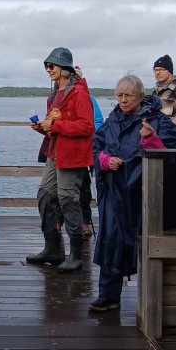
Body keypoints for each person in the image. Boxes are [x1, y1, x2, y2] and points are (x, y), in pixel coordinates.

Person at [90, 74, 176, 312]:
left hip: (145, 194)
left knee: (147, 244)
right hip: (115, 192)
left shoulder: (157, 121)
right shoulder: (112, 121)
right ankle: (108, 295)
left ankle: (155, 298)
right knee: (111, 239)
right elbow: (97, 145)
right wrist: (104, 160)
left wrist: (152, 140)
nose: (123, 100)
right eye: (119, 95)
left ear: (140, 96)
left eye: (128, 95)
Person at [25, 47, 95, 273]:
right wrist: (42, 128)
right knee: (45, 196)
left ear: (65, 69)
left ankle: (75, 254)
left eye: (52, 65)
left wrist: (54, 125)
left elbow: (87, 126)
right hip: (54, 152)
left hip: (72, 156)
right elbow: (54, 127)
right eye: (46, 66)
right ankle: (53, 249)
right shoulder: (54, 95)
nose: (48, 69)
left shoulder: (80, 94)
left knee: (68, 200)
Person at [74, 65, 103, 241]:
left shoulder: (88, 98)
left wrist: (92, 136)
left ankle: (85, 222)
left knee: (84, 187)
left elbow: (98, 120)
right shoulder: (59, 97)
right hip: (68, 149)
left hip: (87, 148)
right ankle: (59, 221)